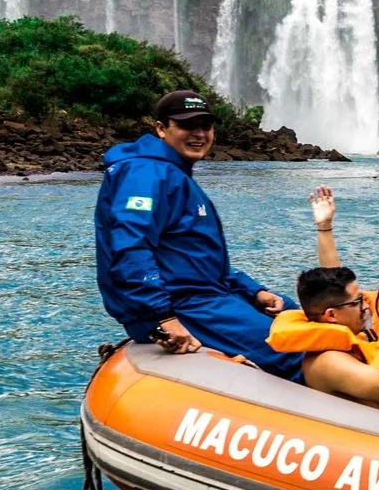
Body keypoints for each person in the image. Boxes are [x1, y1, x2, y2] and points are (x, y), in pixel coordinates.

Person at [94, 91, 297, 379]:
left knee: (297, 316)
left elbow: (197, 261)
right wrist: (163, 317)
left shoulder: (172, 173)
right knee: (300, 350)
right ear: (161, 128)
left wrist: (253, 291)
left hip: (204, 299)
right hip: (184, 307)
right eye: (187, 125)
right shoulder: (147, 173)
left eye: (206, 125)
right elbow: (129, 247)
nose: (199, 134)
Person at [268, 266, 379, 411]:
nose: (366, 306)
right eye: (357, 302)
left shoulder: (344, 345)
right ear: (331, 315)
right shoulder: (328, 361)